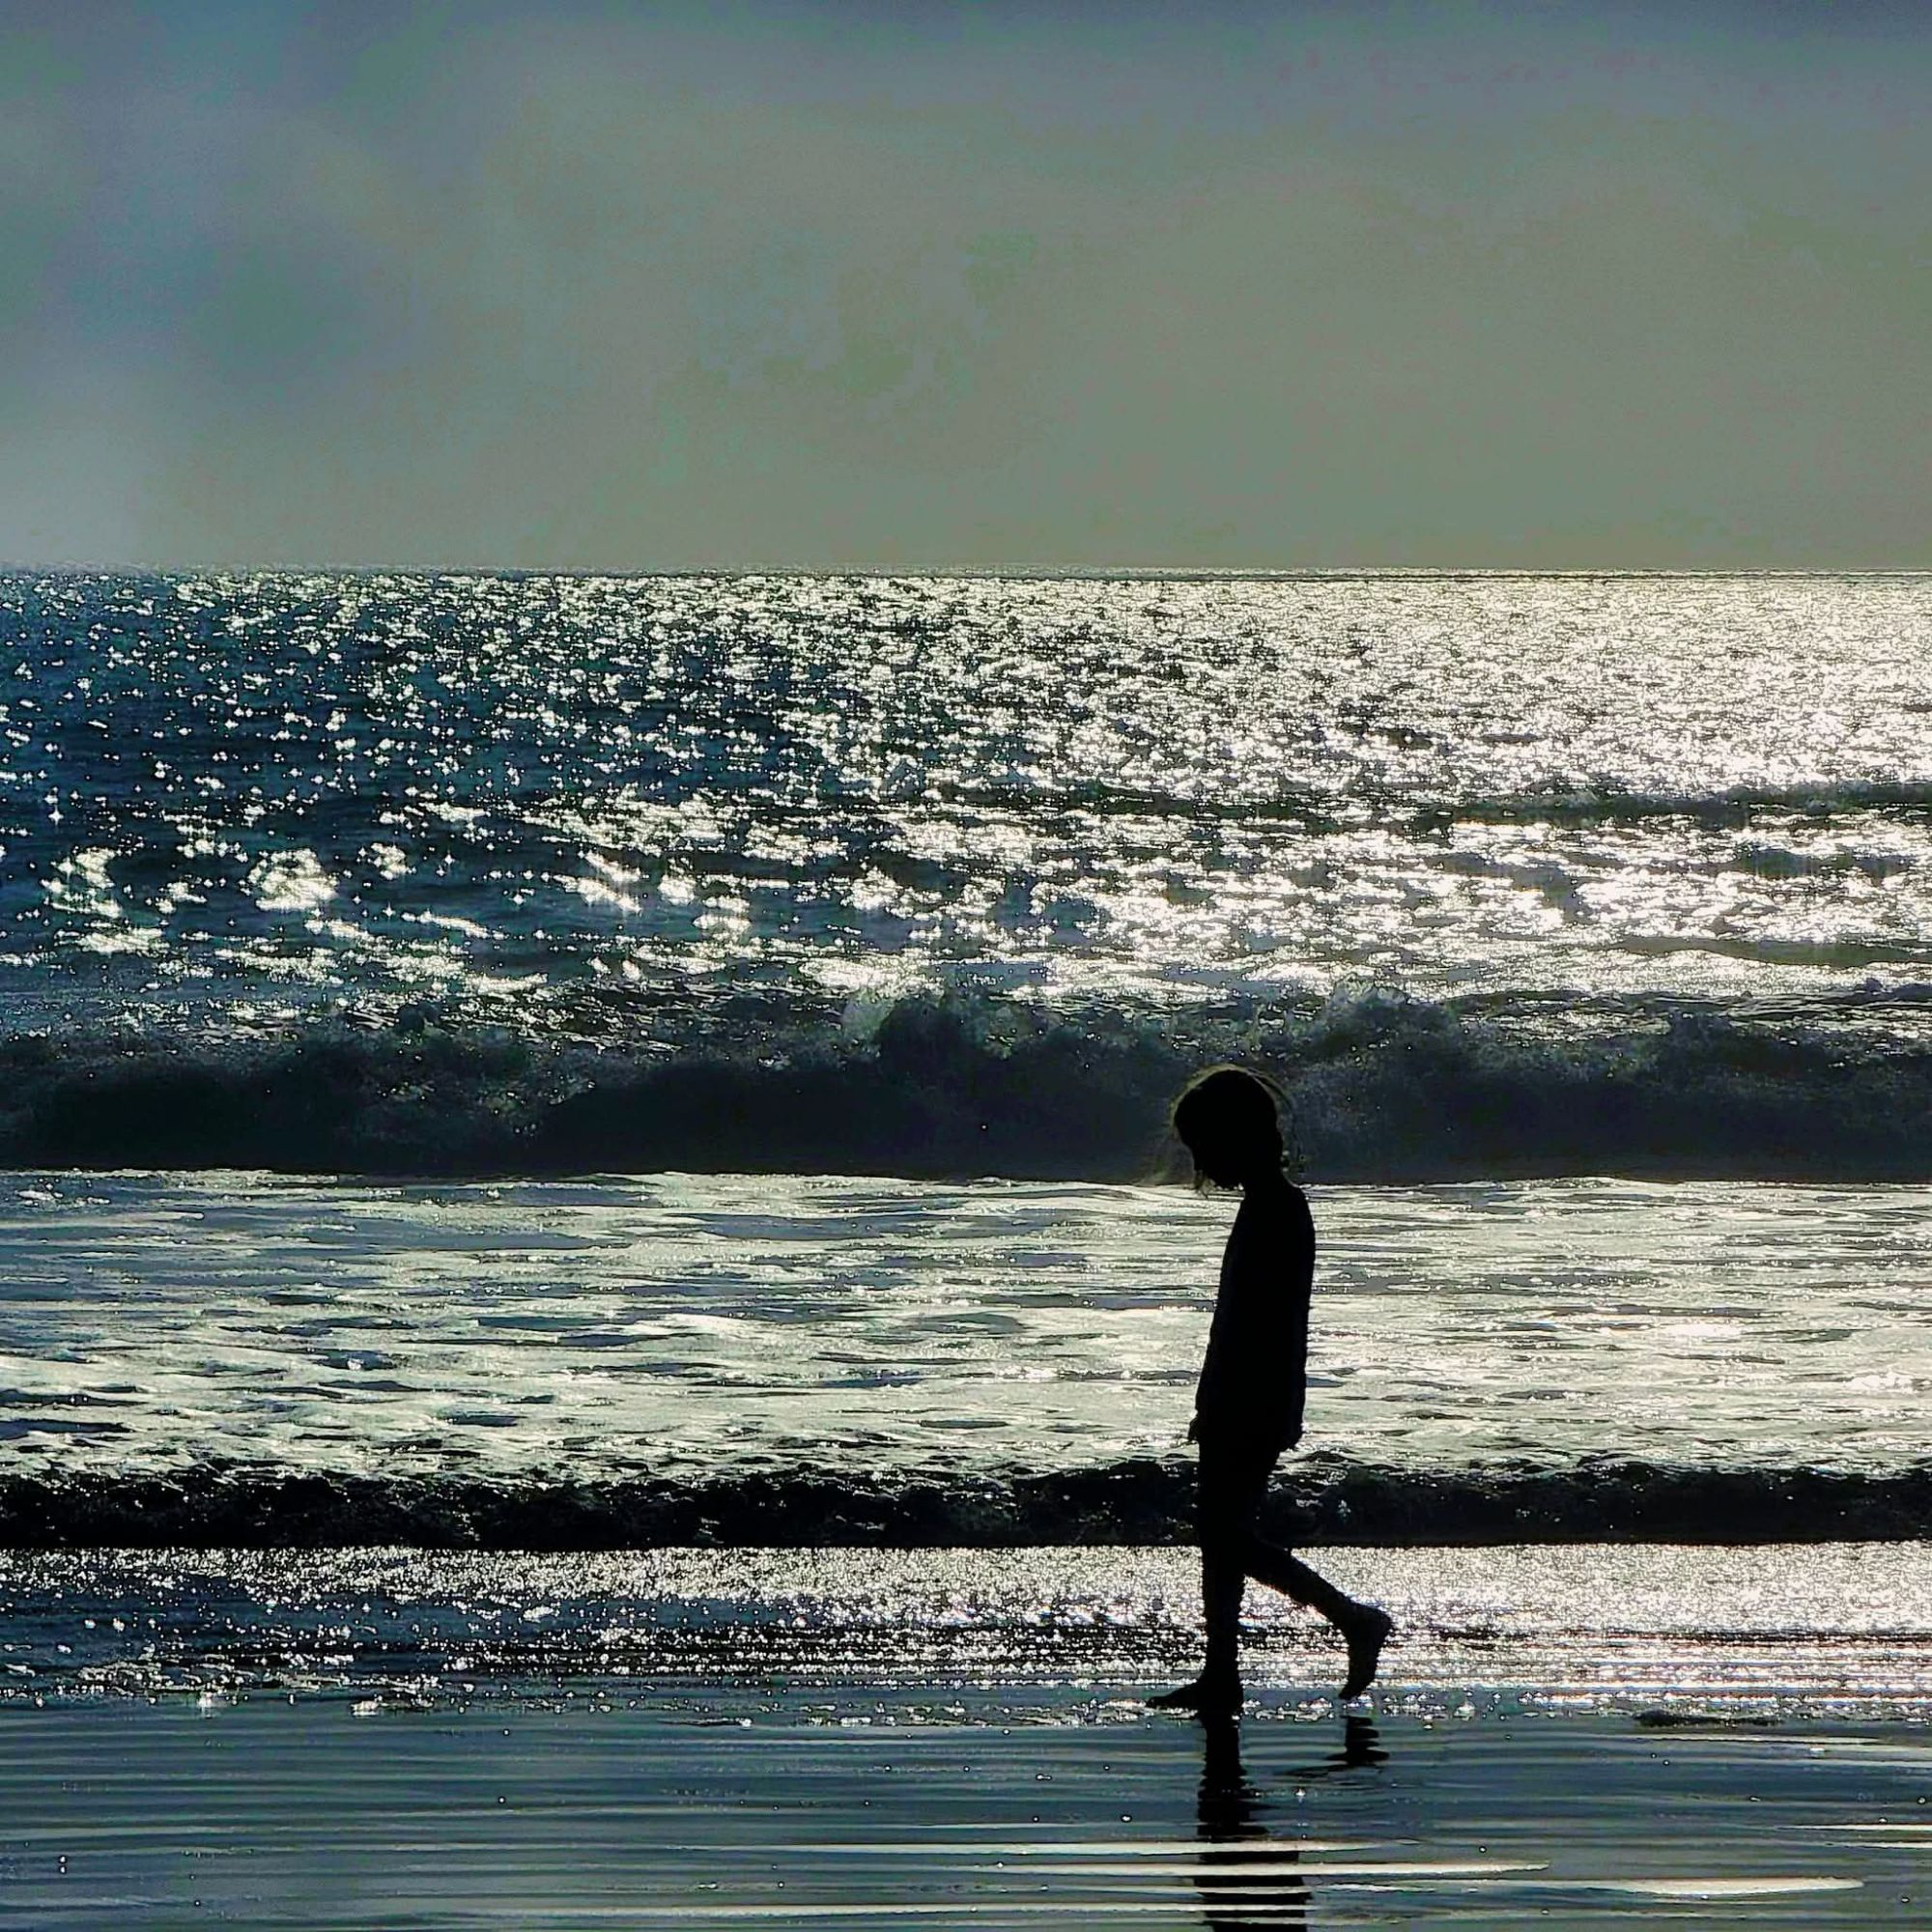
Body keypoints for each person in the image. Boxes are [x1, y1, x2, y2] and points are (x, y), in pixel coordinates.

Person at [1151, 1065, 1392, 1714]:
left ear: (1236, 1138)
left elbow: (1274, 1321)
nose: (1202, 1164)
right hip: (1240, 1390)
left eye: (1205, 1148)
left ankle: (1352, 1619)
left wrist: (1266, 1399)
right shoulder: (1267, 1206)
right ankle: (1221, 1673)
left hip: (1252, 1393)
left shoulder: (1279, 1211)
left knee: (1224, 1535)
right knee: (1221, 1534)